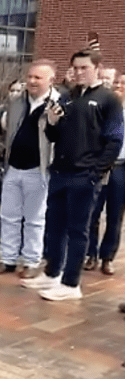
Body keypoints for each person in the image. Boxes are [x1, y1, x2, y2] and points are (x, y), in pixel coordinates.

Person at [22, 48, 124, 301]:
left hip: (85, 175)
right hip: (60, 172)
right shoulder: (67, 97)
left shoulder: (108, 100)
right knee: (54, 226)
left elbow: (114, 140)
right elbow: (53, 136)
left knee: (78, 230)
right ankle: (52, 272)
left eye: (84, 68)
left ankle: (71, 284)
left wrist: (96, 172)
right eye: (75, 68)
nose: (78, 72)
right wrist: (52, 124)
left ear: (97, 69)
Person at [0, 61, 59, 278]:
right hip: (13, 167)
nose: (32, 81)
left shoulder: (58, 104)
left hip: (38, 169)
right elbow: (7, 130)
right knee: (8, 215)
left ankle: (31, 261)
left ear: (51, 80)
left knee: (34, 219)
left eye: (38, 78)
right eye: (30, 77)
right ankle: (8, 259)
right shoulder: (16, 101)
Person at [84, 72, 125, 275]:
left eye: (123, 84)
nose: (119, 86)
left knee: (115, 215)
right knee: (92, 212)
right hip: (99, 166)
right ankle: (90, 254)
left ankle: (107, 257)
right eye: (117, 82)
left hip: (121, 168)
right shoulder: (104, 108)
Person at [0, 79, 25, 249]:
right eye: (12, 90)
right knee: (2, 201)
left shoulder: (28, 111)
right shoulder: (2, 111)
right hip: (6, 162)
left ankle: (20, 239)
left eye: (18, 90)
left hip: (25, 163)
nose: (15, 93)